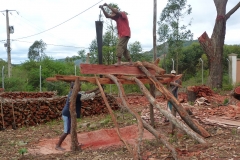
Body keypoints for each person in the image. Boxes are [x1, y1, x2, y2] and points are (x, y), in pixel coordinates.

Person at [55, 82, 100, 151]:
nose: (80, 87)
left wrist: (96, 88)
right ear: (75, 88)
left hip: (69, 114)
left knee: (73, 129)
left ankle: (76, 143)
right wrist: (99, 91)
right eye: (79, 86)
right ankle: (58, 145)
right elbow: (87, 96)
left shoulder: (75, 92)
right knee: (66, 131)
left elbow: (85, 92)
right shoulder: (76, 95)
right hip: (67, 114)